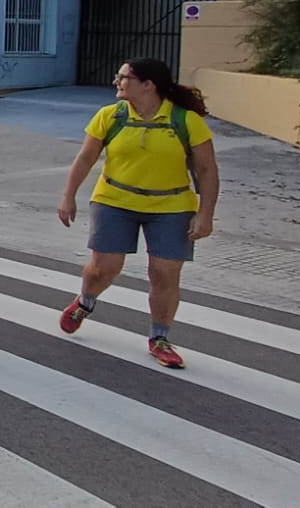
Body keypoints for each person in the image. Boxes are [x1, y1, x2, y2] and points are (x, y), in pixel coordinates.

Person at [56, 58, 219, 368]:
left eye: (123, 77)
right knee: (104, 269)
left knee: (164, 273)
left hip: (172, 206)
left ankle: (160, 338)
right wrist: (68, 196)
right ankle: (85, 302)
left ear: (148, 85)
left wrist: (205, 214)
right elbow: (85, 158)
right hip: (114, 200)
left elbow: (207, 170)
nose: (117, 82)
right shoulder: (110, 116)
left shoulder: (185, 120)